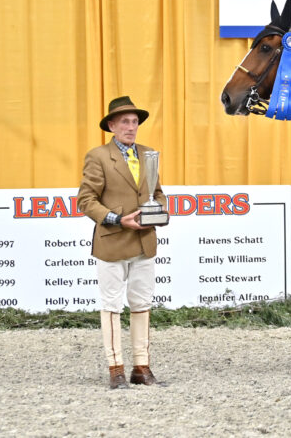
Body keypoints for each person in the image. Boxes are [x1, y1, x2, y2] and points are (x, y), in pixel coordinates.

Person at [77, 96, 168, 389]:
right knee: (112, 306)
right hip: (113, 242)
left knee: (142, 304)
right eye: (125, 122)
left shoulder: (149, 154)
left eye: (134, 121)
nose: (131, 127)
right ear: (112, 126)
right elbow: (86, 200)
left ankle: (141, 367)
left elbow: (158, 192)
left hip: (144, 242)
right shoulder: (98, 156)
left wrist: (159, 213)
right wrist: (118, 219)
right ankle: (115, 368)